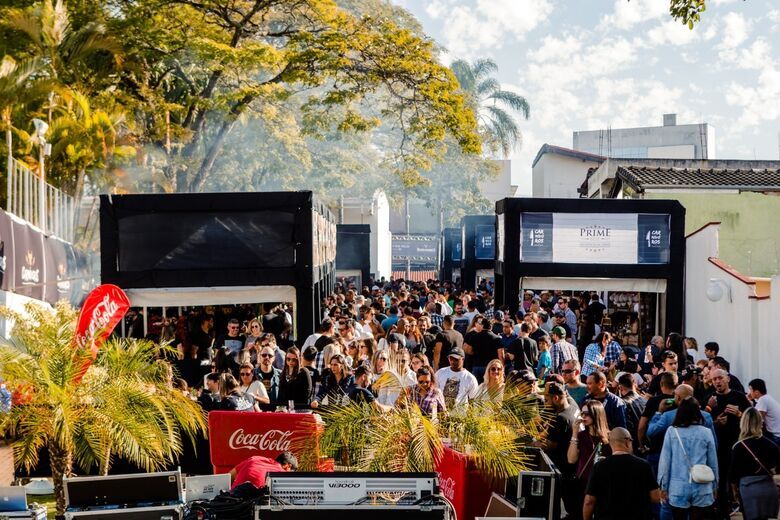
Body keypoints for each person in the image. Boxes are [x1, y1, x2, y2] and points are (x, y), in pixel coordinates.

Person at [657, 397, 719, 520]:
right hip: (702, 485)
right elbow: (713, 462)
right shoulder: (706, 432)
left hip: (678, 487)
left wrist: (663, 486)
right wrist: (715, 484)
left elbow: (665, 462)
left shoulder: (672, 431)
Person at [583, 427, 660, 520]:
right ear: (627, 442)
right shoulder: (643, 465)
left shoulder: (599, 467)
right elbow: (655, 497)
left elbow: (589, 501)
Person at [707, 368, 753, 517]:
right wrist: (715, 422)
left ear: (728, 379)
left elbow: (754, 421)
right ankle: (723, 513)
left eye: (720, 378)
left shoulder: (739, 397)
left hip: (738, 447)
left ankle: (746, 512)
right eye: (714, 379)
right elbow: (701, 425)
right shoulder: (710, 400)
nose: (717, 382)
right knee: (721, 484)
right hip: (718, 448)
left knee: (742, 482)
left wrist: (740, 414)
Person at [729, 408, 780, 520]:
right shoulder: (771, 445)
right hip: (768, 488)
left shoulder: (738, 447)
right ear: (760, 422)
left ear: (743, 423)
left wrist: (735, 492)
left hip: (748, 490)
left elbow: (733, 474)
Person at [539, 382, 580, 518]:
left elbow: (549, 444)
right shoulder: (573, 406)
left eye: (546, 400)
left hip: (563, 471)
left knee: (560, 508)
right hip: (574, 468)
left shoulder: (561, 418)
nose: (545, 404)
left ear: (556, 398)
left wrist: (530, 442)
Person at [568, 400, 612, 519]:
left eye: (587, 413)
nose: (584, 417)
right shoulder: (581, 436)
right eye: (582, 413)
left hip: (603, 486)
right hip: (583, 484)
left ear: (596, 414)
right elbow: (571, 460)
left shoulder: (609, 437)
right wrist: (575, 433)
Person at [463, 316, 502, 383]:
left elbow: (467, 350)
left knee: (476, 388)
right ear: (491, 326)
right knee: (490, 386)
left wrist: (474, 352)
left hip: (477, 366)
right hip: (490, 367)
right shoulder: (496, 338)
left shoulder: (474, 336)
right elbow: (501, 355)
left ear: (482, 325)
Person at [229, 452, 298, 490]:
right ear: (288, 466)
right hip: (250, 508)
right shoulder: (281, 473)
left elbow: (230, 475)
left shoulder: (255, 458)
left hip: (230, 503)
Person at [617, 373, 646, 453]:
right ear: (635, 384)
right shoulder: (644, 400)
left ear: (621, 388)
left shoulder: (622, 403)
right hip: (646, 442)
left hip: (633, 445)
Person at [748, 378, 780, 445]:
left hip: (776, 437)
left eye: (750, 389)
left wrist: (747, 403)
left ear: (756, 392)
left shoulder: (763, 400)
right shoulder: (766, 398)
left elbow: (756, 419)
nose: (749, 392)